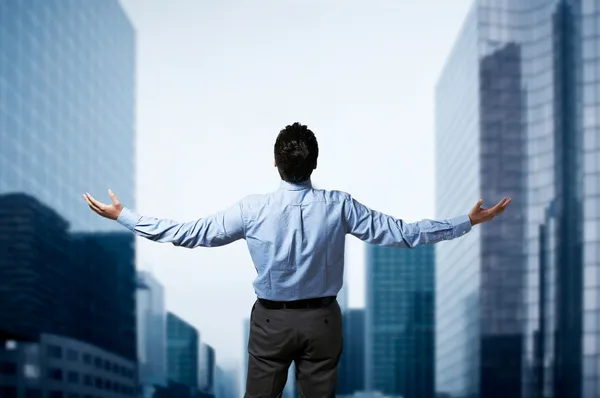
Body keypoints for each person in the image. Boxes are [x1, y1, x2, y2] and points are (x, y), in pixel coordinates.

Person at [83, 122, 511, 398]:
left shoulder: (252, 209)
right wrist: (466, 221)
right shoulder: (339, 205)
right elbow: (403, 233)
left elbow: (188, 234)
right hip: (323, 321)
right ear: (315, 163)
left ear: (275, 164)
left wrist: (125, 216)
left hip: (270, 323)